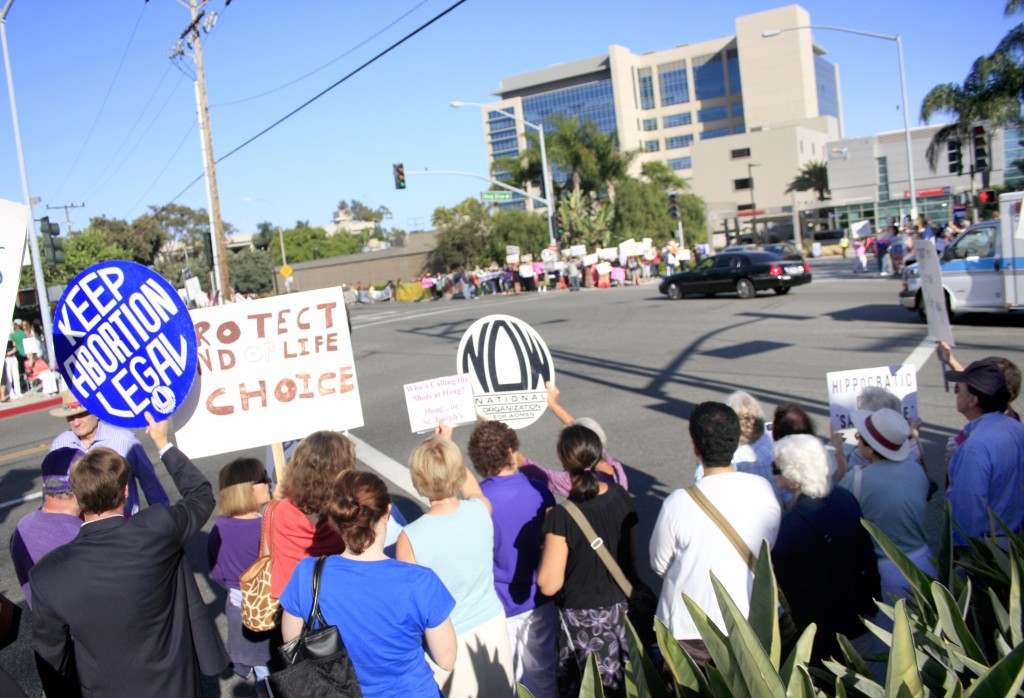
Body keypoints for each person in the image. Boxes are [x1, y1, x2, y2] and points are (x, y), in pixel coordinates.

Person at [30, 414, 228, 697]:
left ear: (77, 496)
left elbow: (53, 661)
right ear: (125, 491)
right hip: (175, 686)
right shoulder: (157, 528)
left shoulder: (47, 575)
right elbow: (200, 494)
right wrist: (162, 442)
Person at [281, 470, 457, 698]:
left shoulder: (308, 574)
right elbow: (447, 659)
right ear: (387, 512)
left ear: (334, 520)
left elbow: (291, 642)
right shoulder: (420, 581)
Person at [650, 402, 780, 667]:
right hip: (752, 620)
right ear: (735, 442)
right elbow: (768, 547)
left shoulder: (678, 502)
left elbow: (659, 564)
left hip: (689, 627)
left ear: (695, 447)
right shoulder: (763, 490)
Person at [397, 424, 514, 697]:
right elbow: (473, 491)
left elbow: (412, 605)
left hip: (447, 639)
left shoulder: (409, 538)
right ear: (458, 470)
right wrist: (448, 447)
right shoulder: (480, 511)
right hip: (493, 622)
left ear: (417, 479)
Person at [537, 424, 640, 698]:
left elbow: (548, 584)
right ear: (597, 456)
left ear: (563, 460)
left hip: (582, 622)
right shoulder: (621, 496)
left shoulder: (561, 516)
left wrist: (546, 538)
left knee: (590, 687)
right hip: (622, 612)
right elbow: (631, 557)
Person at [771, 435, 881, 666]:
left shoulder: (790, 524)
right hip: (855, 617)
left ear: (795, 479)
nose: (774, 472)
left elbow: (778, 583)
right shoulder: (845, 498)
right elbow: (866, 554)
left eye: (777, 468)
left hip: (819, 632)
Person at [467, 420, 557, 698]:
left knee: (510, 679)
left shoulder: (480, 502)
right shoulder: (539, 490)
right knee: (544, 675)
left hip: (499, 603)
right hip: (539, 600)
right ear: (512, 450)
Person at [837, 408, 935, 602]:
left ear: (871, 448)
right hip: (924, 561)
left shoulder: (857, 478)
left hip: (886, 571)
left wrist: (839, 451)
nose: (857, 439)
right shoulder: (916, 470)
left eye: (859, 436)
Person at [207, 459, 274, 696]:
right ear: (247, 488)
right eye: (263, 477)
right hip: (271, 612)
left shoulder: (219, 528)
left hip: (239, 612)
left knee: (262, 674)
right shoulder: (267, 527)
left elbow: (217, 572)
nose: (268, 482)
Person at [944, 360, 1024, 549]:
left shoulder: (974, 447)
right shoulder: (1016, 428)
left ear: (973, 400)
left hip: (988, 548)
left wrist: (963, 552)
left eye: (958, 389)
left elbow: (968, 509)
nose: (956, 394)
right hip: (1014, 539)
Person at [49, 391, 169, 516]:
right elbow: (52, 491)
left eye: (82, 414)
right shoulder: (60, 445)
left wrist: (164, 517)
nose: (76, 422)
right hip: (82, 530)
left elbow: (149, 482)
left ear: (97, 413)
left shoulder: (125, 440)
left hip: (125, 523)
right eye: (70, 417)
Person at [268, 431, 352, 598]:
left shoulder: (278, 509)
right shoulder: (348, 513)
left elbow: (267, 554)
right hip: (339, 599)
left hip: (292, 603)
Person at [518, 382, 628, 495]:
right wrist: (553, 405)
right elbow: (584, 434)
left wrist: (502, 437)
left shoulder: (571, 482)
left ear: (564, 460)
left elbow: (536, 473)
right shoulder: (614, 467)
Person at [9, 448, 84, 607]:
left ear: (44, 484)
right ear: (84, 483)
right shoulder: (80, 534)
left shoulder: (20, 530)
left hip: (42, 624)